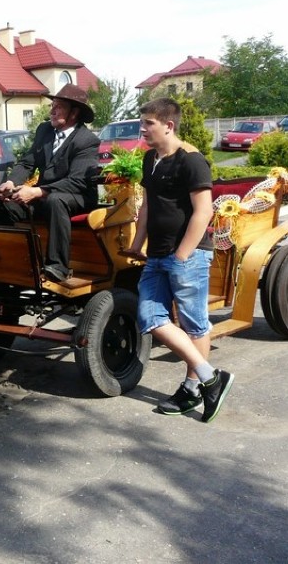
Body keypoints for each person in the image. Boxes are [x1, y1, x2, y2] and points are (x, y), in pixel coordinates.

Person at [121, 97, 234, 423]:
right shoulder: (149, 159)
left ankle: (191, 386)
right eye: (142, 123)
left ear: (168, 125)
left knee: (193, 323)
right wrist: (137, 243)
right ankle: (211, 378)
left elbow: (204, 211)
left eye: (148, 124)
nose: (142, 129)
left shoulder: (192, 160)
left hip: (188, 255)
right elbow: (147, 206)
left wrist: (183, 254)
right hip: (156, 254)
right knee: (150, 317)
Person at [0, 83, 99, 283]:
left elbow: (77, 181)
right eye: (52, 106)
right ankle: (9, 260)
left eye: (58, 107)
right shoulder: (44, 130)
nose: (52, 110)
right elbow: (27, 162)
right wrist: (11, 182)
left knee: (55, 201)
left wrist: (37, 191)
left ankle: (58, 267)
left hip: (77, 197)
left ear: (74, 113)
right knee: (0, 202)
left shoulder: (86, 140)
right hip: (44, 196)